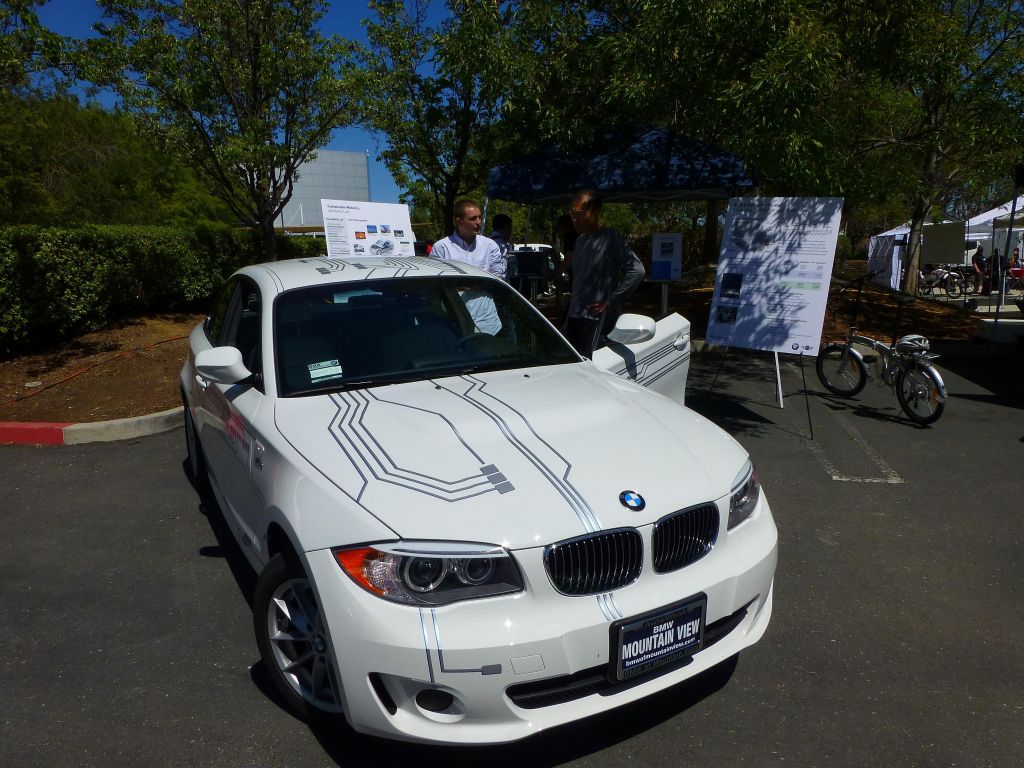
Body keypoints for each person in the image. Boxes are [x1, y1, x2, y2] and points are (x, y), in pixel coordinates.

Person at [564, 189, 645, 357]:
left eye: (579, 214)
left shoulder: (610, 238)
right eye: (572, 214)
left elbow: (637, 270)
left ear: (595, 212)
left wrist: (612, 301)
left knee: (593, 373)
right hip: (575, 319)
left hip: (596, 323)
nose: (574, 219)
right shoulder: (579, 241)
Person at [431, 199, 505, 334]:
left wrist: (477, 283)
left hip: (485, 315)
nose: (479, 222)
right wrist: (458, 285)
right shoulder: (442, 248)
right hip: (454, 314)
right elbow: (435, 284)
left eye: (480, 217)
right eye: (473, 218)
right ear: (459, 222)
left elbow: (498, 278)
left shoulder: (489, 246)